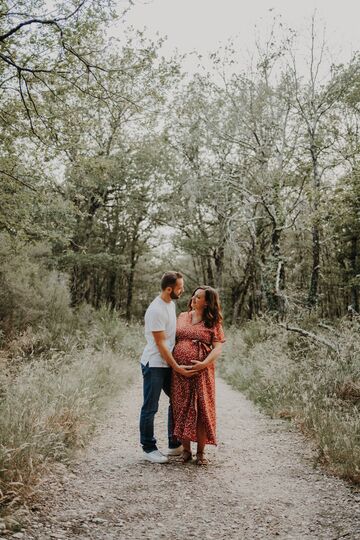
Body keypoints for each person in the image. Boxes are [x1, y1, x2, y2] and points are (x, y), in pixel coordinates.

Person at [139, 271, 196, 464]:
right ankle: (149, 448)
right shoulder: (156, 310)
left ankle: (174, 443)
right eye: (180, 288)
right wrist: (177, 367)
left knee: (177, 400)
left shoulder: (170, 304)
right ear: (169, 289)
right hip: (155, 364)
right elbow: (162, 345)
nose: (183, 291)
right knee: (150, 407)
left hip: (167, 363)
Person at [171, 285, 225, 465]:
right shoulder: (181, 317)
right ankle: (186, 450)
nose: (194, 299)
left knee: (201, 409)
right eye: (194, 296)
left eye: (199, 297)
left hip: (202, 371)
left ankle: (201, 453)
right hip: (179, 371)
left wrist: (203, 363)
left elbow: (218, 347)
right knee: (181, 407)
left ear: (208, 302)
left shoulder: (213, 322)